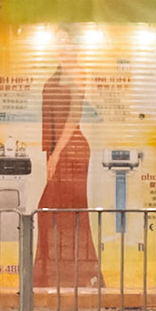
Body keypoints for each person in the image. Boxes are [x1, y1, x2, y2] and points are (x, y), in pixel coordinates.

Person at [34, 26, 101, 288]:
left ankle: (77, 277)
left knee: (63, 215)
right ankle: (55, 276)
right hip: (56, 150)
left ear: (75, 45)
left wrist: (56, 155)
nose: (60, 47)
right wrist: (50, 155)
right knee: (54, 215)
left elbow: (73, 118)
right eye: (57, 42)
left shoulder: (78, 73)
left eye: (65, 42)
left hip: (71, 150)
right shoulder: (58, 73)